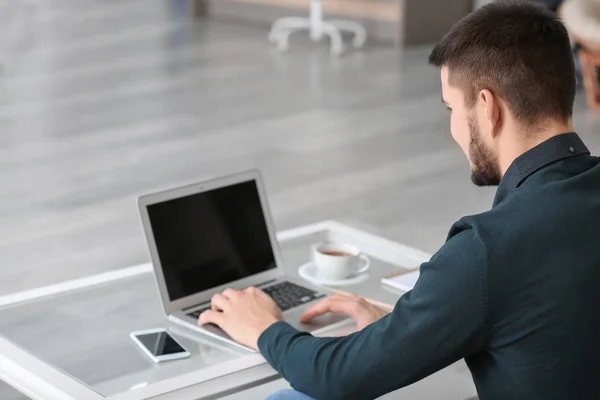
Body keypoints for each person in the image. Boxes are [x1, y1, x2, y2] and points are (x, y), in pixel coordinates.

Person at [198, 1, 600, 399]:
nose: (454, 128)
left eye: (451, 108)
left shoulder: (486, 250)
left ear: (487, 107)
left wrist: (265, 328)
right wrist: (414, 329)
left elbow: (337, 377)